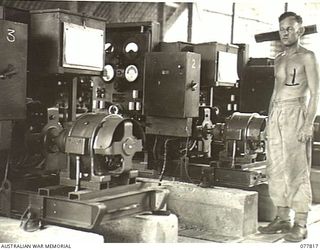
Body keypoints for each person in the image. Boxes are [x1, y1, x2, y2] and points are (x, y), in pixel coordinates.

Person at [258, 11, 320, 242]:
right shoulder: (279, 59)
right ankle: (283, 218)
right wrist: (268, 120)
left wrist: (308, 124)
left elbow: (315, 93)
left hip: (296, 111)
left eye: (290, 29)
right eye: (282, 29)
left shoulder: (308, 57)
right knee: (275, 167)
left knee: (296, 168)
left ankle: (301, 223)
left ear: (300, 31)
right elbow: (275, 92)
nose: (285, 33)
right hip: (277, 115)